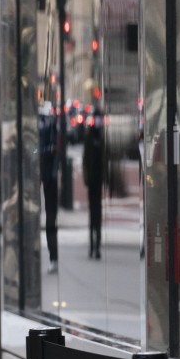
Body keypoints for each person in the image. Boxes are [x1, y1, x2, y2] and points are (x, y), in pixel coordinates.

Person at [38, 103, 59, 272]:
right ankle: (52, 257)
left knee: (50, 219)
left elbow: (54, 150)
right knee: (48, 218)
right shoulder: (48, 125)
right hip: (44, 173)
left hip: (47, 174)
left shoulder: (50, 125)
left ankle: (53, 257)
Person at [83, 106, 105, 260]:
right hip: (92, 180)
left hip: (98, 181)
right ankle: (92, 246)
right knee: (93, 214)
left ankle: (97, 246)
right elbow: (85, 159)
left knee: (98, 214)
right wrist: (86, 178)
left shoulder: (101, 137)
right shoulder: (90, 137)